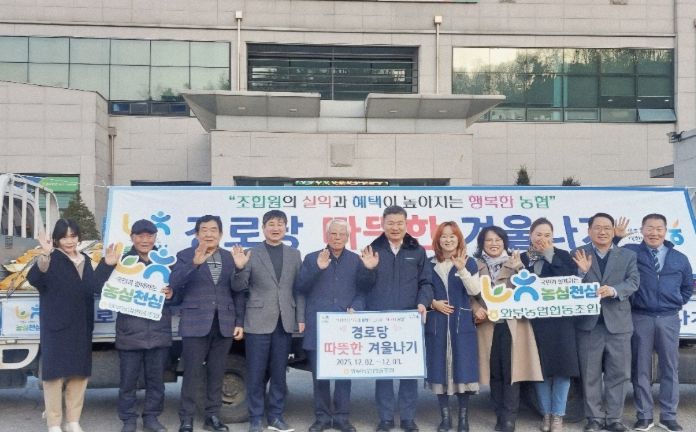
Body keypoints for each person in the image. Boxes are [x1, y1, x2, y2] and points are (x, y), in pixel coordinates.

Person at [27, 218, 118, 432]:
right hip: (55, 326)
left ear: (78, 237)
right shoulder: (51, 258)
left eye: (73, 236)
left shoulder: (84, 258)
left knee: (79, 374)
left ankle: (73, 421)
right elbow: (34, 279)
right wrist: (45, 254)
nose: (69, 241)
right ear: (56, 239)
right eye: (64, 237)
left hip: (81, 325)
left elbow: (93, 287)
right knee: (54, 376)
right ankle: (54, 423)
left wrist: (107, 265)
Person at [615, 214, 693, 432]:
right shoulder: (631, 253)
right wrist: (617, 238)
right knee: (640, 367)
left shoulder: (679, 258)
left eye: (659, 229)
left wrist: (674, 302)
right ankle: (644, 416)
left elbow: (687, 287)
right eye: (649, 228)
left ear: (665, 231)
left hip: (668, 318)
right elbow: (611, 258)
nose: (654, 233)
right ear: (641, 230)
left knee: (670, 368)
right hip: (640, 316)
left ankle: (668, 417)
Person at [358, 205, 433, 432]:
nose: (395, 227)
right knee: (384, 372)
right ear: (382, 223)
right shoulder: (372, 249)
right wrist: (368, 269)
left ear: (406, 224)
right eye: (390, 223)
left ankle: (408, 419)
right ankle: (386, 419)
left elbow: (426, 283)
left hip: (409, 319)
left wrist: (423, 302)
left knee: (409, 371)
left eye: (400, 223)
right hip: (381, 320)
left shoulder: (417, 251)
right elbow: (361, 286)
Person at [169, 215, 246, 432]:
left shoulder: (231, 258)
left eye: (213, 230)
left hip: (224, 323)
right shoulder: (186, 256)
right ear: (196, 234)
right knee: (192, 373)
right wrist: (195, 263)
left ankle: (212, 416)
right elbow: (174, 283)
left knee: (217, 372)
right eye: (204, 230)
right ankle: (186, 418)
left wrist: (239, 321)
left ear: (221, 234)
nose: (209, 234)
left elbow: (239, 291)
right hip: (195, 322)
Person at [295, 219, 371, 432]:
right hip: (319, 325)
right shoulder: (313, 258)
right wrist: (317, 269)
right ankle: (321, 418)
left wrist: (356, 306)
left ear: (348, 237)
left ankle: (341, 418)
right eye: (333, 234)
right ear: (326, 236)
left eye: (341, 234)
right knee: (320, 374)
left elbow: (363, 291)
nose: (337, 238)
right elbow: (300, 287)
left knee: (344, 374)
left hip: (345, 326)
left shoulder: (356, 261)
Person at [232, 210, 305, 432]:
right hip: (257, 321)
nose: (276, 228)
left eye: (280, 224)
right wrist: (240, 268)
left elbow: (299, 289)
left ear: (286, 228)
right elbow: (238, 287)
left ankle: (275, 417)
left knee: (279, 373)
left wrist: (300, 317)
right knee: (256, 373)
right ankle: (255, 418)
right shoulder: (251, 253)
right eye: (271, 224)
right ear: (263, 228)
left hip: (284, 321)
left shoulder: (294, 254)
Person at [470, 225, 542, 432]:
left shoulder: (516, 261)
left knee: (512, 372)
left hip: (513, 325)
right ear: (482, 244)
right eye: (489, 240)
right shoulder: (475, 264)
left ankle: (509, 418)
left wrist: (519, 267)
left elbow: (532, 289)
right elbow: (468, 294)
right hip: (487, 326)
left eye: (498, 240)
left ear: (504, 242)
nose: (494, 244)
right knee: (494, 373)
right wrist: (476, 308)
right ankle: (499, 413)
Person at [572, 213, 639, 432]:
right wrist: (581, 273)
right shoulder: (578, 253)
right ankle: (594, 418)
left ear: (613, 231)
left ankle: (614, 419)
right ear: (589, 230)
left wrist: (614, 290)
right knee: (589, 374)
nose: (602, 232)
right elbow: (568, 286)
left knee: (619, 373)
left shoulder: (628, 255)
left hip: (619, 324)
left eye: (607, 228)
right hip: (588, 325)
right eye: (597, 227)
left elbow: (633, 282)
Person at [520, 218, 579, 432]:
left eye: (547, 235)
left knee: (563, 370)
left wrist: (549, 255)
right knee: (540, 370)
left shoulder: (564, 256)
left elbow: (568, 280)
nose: (542, 239)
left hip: (561, 323)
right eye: (538, 234)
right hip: (534, 323)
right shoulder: (523, 258)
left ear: (553, 237)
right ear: (530, 235)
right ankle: (546, 414)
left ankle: (558, 416)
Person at [116, 219, 174, 432]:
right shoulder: (122, 262)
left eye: (149, 236)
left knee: (156, 382)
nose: (145, 240)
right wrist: (106, 264)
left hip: (158, 332)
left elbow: (179, 292)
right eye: (140, 236)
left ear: (155, 237)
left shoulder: (166, 262)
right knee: (128, 382)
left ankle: (151, 418)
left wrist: (172, 293)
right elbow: (100, 287)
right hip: (130, 332)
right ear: (132, 238)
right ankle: (128, 420)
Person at [425, 221, 480, 432]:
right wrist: (433, 303)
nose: (448, 240)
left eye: (452, 236)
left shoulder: (469, 262)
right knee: (440, 368)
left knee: (463, 368)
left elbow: (475, 291)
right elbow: (421, 290)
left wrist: (462, 269)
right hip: (437, 323)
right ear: (438, 240)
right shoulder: (428, 263)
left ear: (459, 239)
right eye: (443, 236)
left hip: (461, 323)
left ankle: (463, 419)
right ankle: (445, 418)